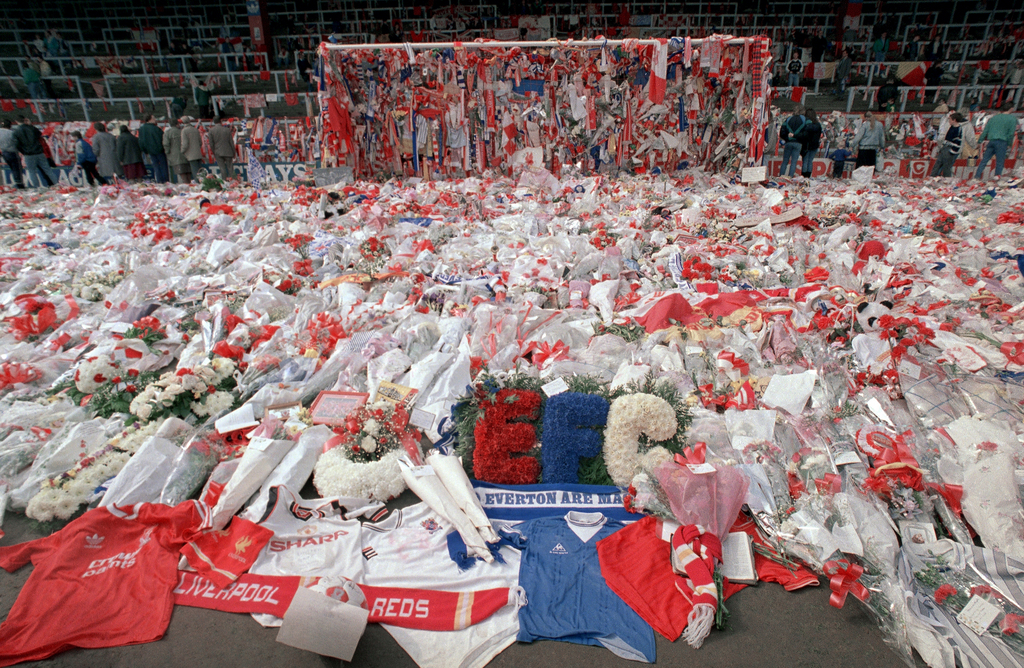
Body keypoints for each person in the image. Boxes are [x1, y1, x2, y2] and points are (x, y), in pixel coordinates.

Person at [975, 101, 1019, 179]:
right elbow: (1011, 133)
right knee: (999, 162)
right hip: (1002, 142)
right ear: (1011, 109)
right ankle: (997, 178)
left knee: (984, 160)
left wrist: (979, 141)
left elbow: (985, 130)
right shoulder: (1012, 119)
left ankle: (977, 177)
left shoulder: (994, 117)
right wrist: (1009, 144)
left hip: (991, 141)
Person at [13, 116, 55, 187]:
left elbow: (17, 145)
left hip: (28, 154)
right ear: (25, 120)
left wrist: (24, 151)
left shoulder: (16, 132)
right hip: (39, 152)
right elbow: (39, 134)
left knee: (32, 172)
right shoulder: (31, 128)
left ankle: (37, 188)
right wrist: (30, 125)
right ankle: (57, 185)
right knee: (48, 170)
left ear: (16, 121)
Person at [930, 112, 968, 177]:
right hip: (945, 147)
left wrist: (952, 151)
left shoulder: (958, 129)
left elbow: (958, 141)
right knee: (938, 163)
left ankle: (946, 179)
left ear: (954, 120)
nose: (949, 121)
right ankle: (932, 177)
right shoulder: (951, 127)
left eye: (950, 119)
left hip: (949, 149)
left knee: (946, 166)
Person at [778, 105, 808, 178]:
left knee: (785, 161)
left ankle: (781, 176)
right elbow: (806, 133)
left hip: (788, 142)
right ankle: (790, 177)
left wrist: (787, 138)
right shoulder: (804, 119)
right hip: (798, 143)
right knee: (794, 162)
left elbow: (782, 132)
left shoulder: (788, 119)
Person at [138, 115, 168, 183]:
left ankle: (159, 182)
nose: (155, 119)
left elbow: (141, 141)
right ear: (150, 119)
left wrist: (145, 151)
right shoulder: (156, 128)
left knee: (156, 167)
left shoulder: (141, 129)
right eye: (154, 118)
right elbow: (162, 139)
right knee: (163, 167)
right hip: (159, 151)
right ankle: (166, 181)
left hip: (150, 151)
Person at [797, 109, 823, 178]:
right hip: (814, 145)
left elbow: (803, 135)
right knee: (810, 161)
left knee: (805, 161)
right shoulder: (818, 125)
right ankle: (808, 175)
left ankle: (804, 176)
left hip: (806, 145)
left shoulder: (806, 124)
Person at [0, 119, 24, 189]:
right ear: (9, 125)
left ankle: (17, 183)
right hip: (12, 152)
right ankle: (19, 184)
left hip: (4, 153)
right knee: (17, 169)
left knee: (12, 168)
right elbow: (16, 142)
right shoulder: (11, 133)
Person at [163, 118, 188, 184]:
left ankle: (186, 186)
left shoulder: (167, 133)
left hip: (174, 155)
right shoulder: (182, 131)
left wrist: (167, 152)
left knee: (181, 173)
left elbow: (166, 144)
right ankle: (189, 184)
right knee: (187, 172)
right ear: (177, 124)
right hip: (185, 153)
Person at [180, 117, 203, 181]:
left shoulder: (184, 131)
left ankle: (199, 186)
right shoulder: (195, 129)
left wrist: (182, 151)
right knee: (200, 172)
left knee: (195, 172)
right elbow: (200, 142)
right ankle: (203, 184)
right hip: (198, 153)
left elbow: (185, 144)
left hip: (191, 155)